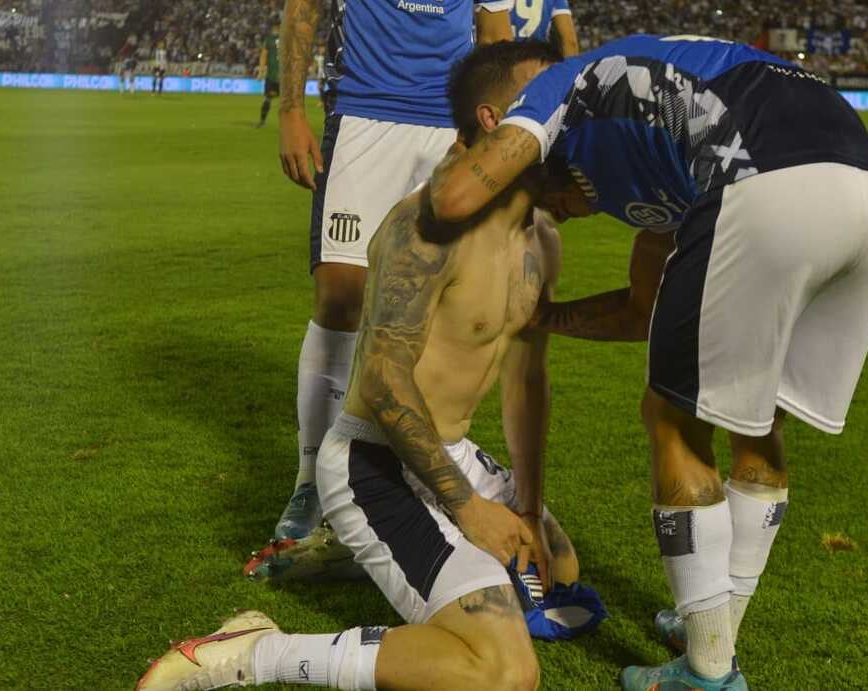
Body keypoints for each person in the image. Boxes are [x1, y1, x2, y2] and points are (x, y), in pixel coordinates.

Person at [430, 37, 868, 691]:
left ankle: (707, 673)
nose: (550, 213)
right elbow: (641, 310)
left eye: (540, 200)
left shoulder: (558, 86)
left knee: (670, 419)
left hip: (765, 182)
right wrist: (546, 317)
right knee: (755, 421)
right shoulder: (657, 140)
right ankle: (715, 629)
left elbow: (453, 196)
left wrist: (479, 165)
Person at [138, 79, 584, 691]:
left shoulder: (542, 242)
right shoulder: (424, 226)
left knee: (559, 570)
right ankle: (253, 653)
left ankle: (373, 558)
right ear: (496, 121)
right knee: (504, 673)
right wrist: (470, 509)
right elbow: (379, 381)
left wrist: (525, 502)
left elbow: (527, 380)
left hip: (451, 452)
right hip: (375, 462)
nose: (560, 118)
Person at [262, 0, 515, 557]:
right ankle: (312, 479)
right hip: (365, 117)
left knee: (432, 313)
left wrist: (498, 139)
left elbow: (494, 36)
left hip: (448, 136)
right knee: (341, 297)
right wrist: (291, 109)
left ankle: (404, 474)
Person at [257, 22, 281, 127]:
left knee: (267, 98)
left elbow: (263, 55)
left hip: (272, 75)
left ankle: (262, 121)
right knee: (286, 101)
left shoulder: (269, 40)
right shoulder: (288, 39)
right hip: (284, 76)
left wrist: (261, 71)